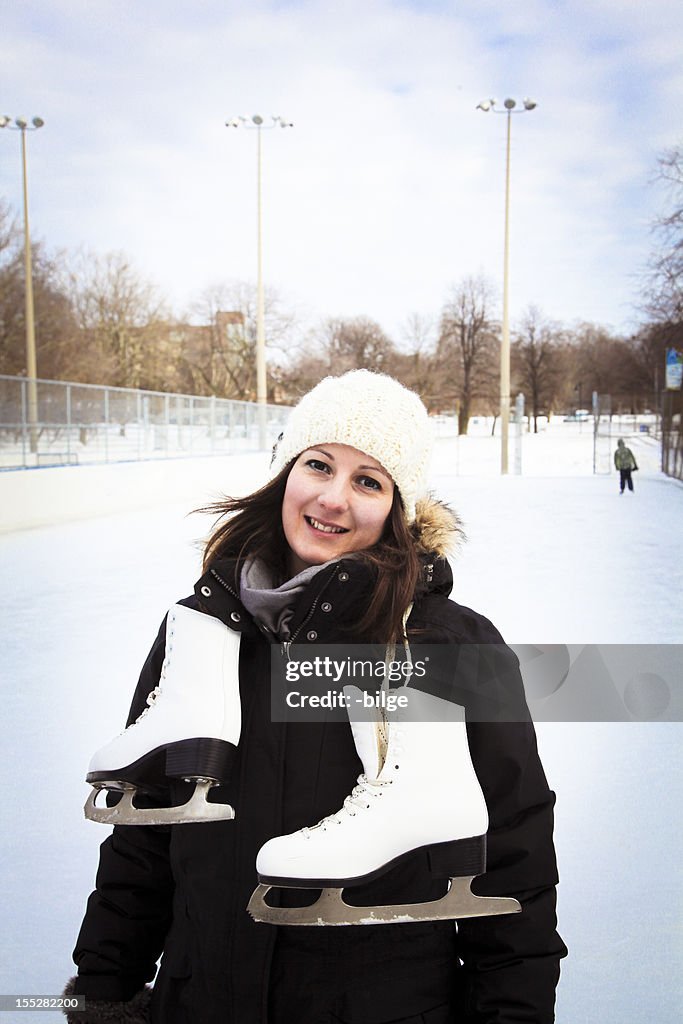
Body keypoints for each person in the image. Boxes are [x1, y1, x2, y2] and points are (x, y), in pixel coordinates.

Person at [65, 370, 566, 1024]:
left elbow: (512, 857)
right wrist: (106, 986)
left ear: (395, 509)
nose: (332, 498)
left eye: (367, 481)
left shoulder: (445, 644)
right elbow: (145, 838)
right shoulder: (201, 628)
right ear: (284, 472)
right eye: (319, 465)